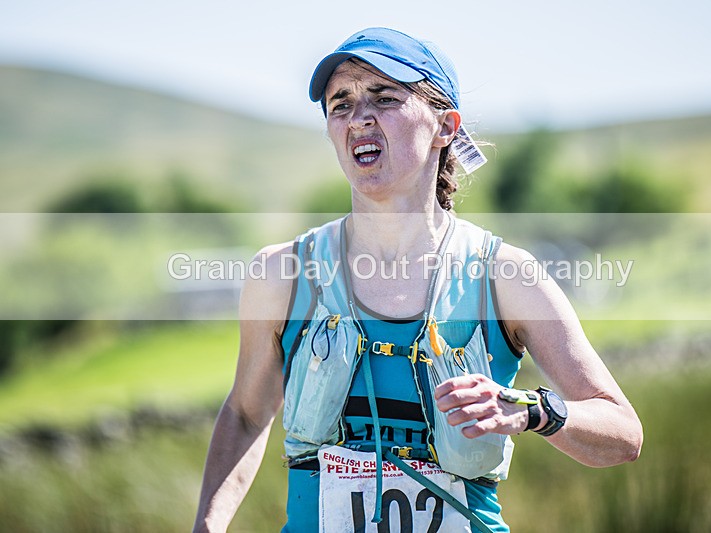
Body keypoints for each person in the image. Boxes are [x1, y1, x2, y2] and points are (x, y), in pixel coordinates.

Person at [193, 27, 643, 532]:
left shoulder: (506, 277)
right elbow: (247, 415)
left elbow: (623, 433)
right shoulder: (281, 274)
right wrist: (207, 526)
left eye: (384, 98)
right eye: (340, 103)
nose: (359, 116)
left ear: (445, 126)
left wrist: (530, 409)